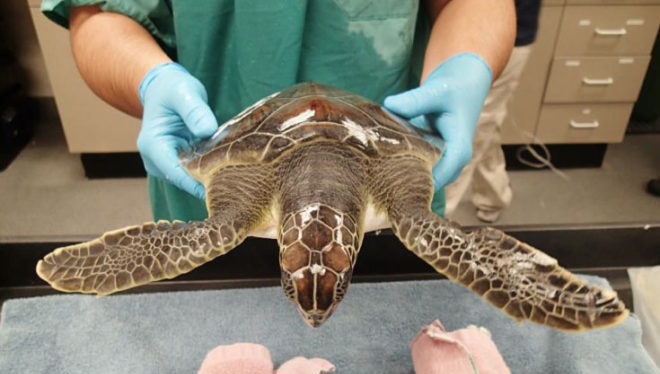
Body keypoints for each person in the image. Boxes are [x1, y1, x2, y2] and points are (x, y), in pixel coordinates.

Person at [42, 0, 515, 222]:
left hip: (384, 174)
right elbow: (97, 13)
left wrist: (465, 63)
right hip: (218, 189)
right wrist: (149, 80)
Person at [443, 0, 541, 223]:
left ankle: (439, 217)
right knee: (483, 123)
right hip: (463, 29)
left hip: (498, 34)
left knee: (469, 130)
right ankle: (494, 195)